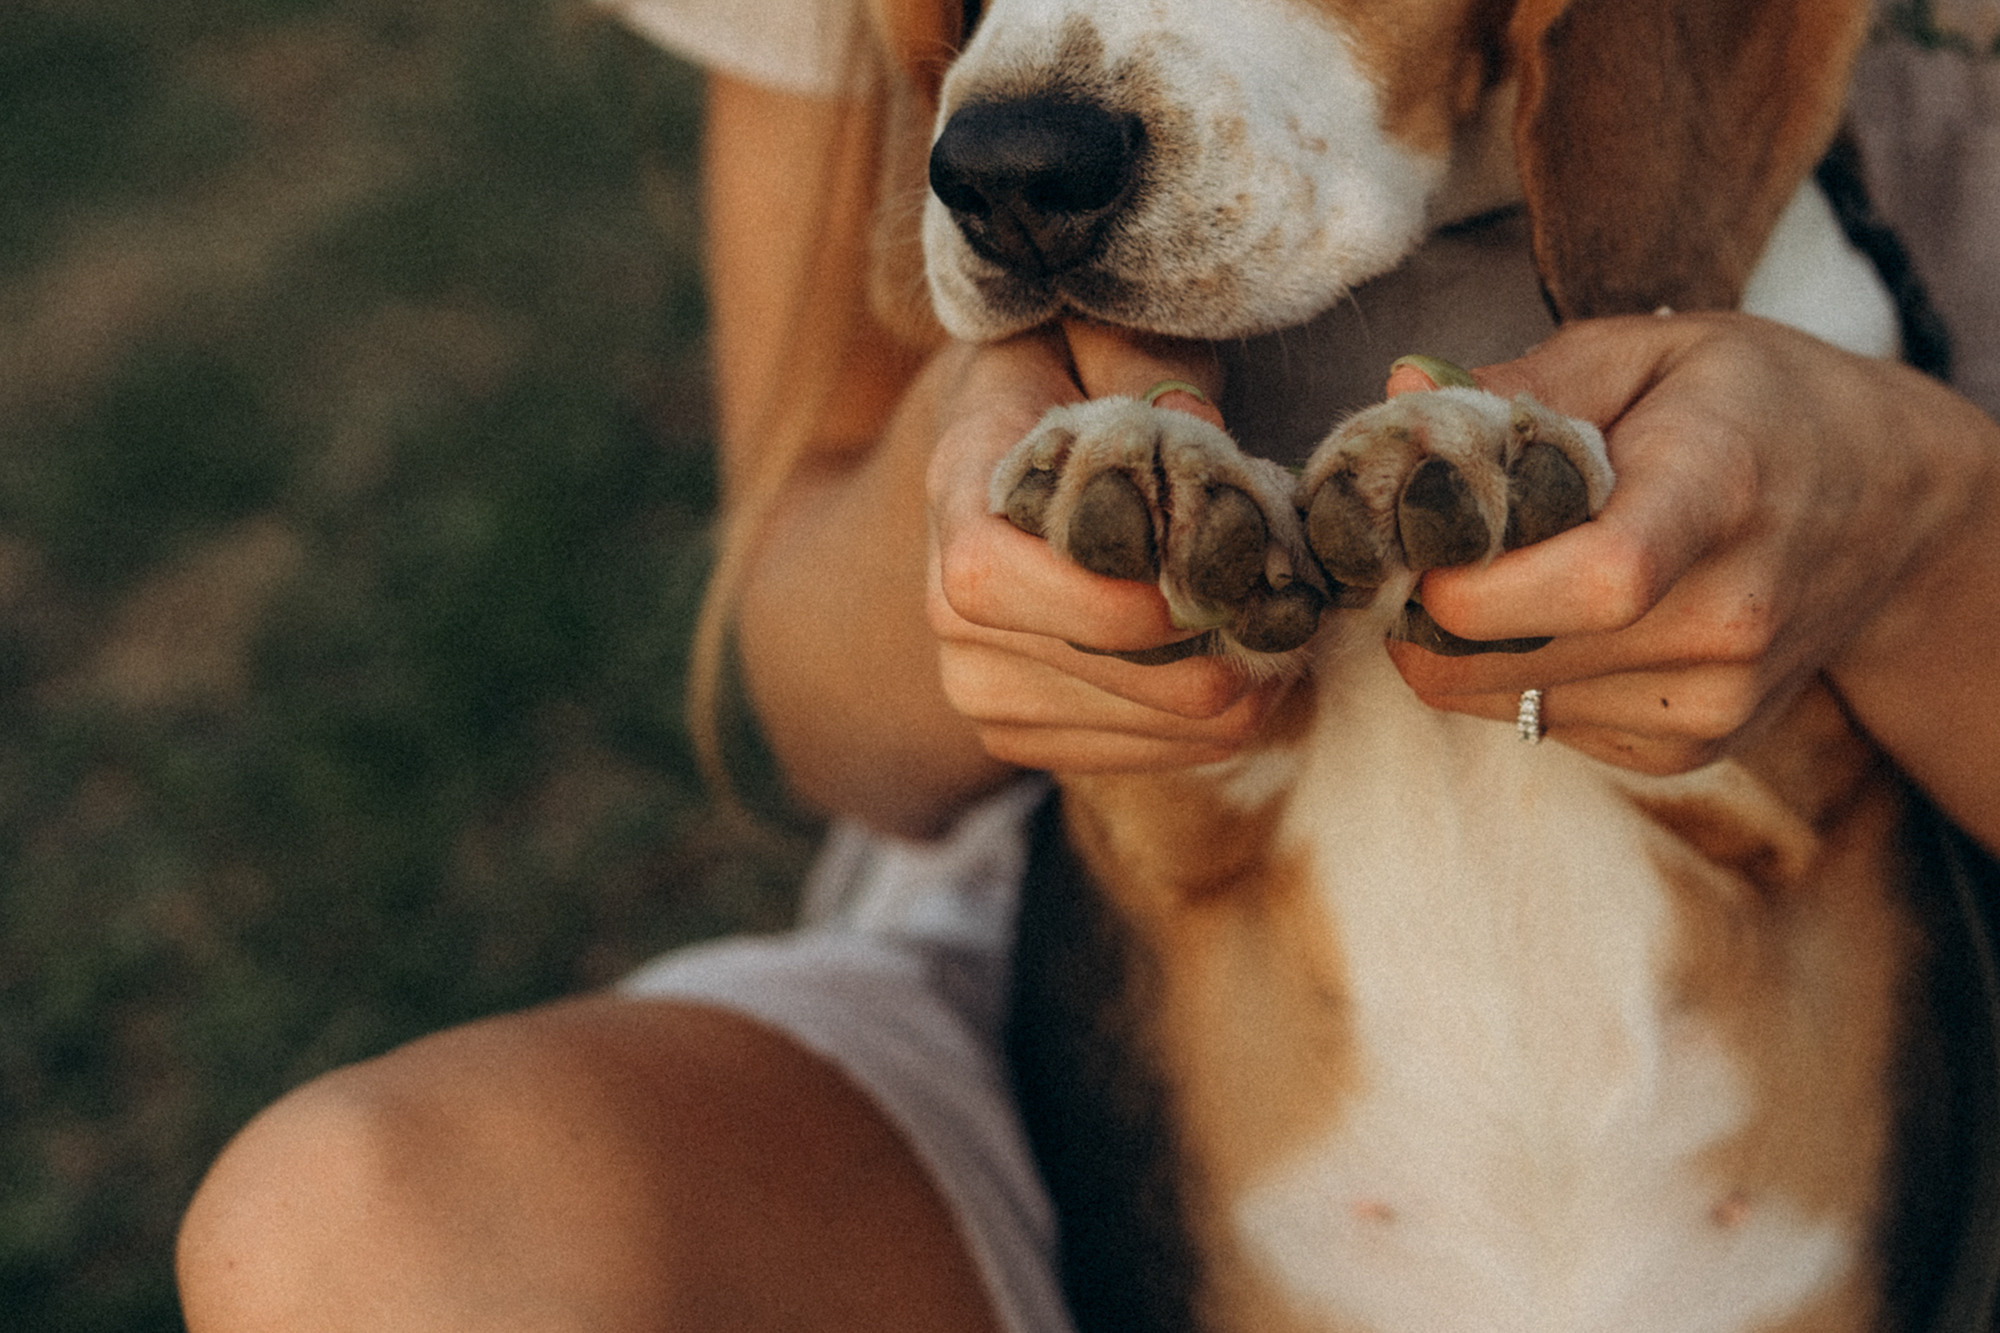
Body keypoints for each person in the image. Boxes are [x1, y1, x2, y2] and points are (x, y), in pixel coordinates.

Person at [174, 3, 2000, 1330]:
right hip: (1097, 1057)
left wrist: (1914, 544)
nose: (1029, 92)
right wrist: (968, 518)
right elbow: (799, 697)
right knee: (354, 1232)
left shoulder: (1754, 218)